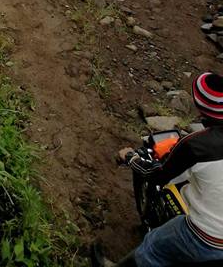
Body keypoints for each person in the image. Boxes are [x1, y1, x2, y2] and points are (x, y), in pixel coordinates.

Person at [91, 71, 223, 267]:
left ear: (200, 107)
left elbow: (156, 175)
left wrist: (131, 157)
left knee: (153, 247)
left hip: (209, 237)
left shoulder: (196, 146)